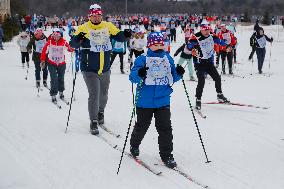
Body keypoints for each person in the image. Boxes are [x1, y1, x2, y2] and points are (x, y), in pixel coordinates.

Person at [70, 4, 132, 135]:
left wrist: (125, 34)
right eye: (93, 15)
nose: (96, 18)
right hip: (89, 68)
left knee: (103, 94)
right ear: (89, 16)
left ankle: (100, 112)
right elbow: (73, 45)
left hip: (105, 68)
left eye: (98, 15)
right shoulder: (83, 27)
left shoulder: (107, 26)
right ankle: (93, 121)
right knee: (94, 94)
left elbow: (119, 36)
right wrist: (78, 38)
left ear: (101, 16)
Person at [129, 32, 185, 168]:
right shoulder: (142, 58)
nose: (159, 46)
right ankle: (134, 144)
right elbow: (132, 77)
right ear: (149, 45)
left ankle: (167, 155)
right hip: (144, 101)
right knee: (142, 126)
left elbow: (172, 78)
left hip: (163, 100)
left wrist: (179, 73)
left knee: (165, 128)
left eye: (161, 44)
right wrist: (139, 73)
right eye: (155, 44)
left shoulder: (167, 58)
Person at [187, 23, 230, 110]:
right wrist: (192, 49)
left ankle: (220, 95)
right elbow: (188, 46)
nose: (207, 32)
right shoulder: (195, 37)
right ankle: (198, 100)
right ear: (201, 30)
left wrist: (227, 46)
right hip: (199, 63)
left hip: (209, 62)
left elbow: (219, 41)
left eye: (208, 30)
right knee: (201, 81)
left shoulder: (211, 35)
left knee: (217, 78)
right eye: (205, 30)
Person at [40, 28, 74, 101]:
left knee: (61, 78)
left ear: (60, 36)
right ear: (52, 36)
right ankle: (53, 94)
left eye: (58, 36)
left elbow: (69, 48)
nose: (56, 37)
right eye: (54, 36)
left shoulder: (64, 42)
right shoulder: (49, 42)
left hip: (61, 63)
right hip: (51, 63)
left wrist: (72, 49)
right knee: (54, 79)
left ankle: (61, 92)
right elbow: (44, 51)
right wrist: (42, 60)